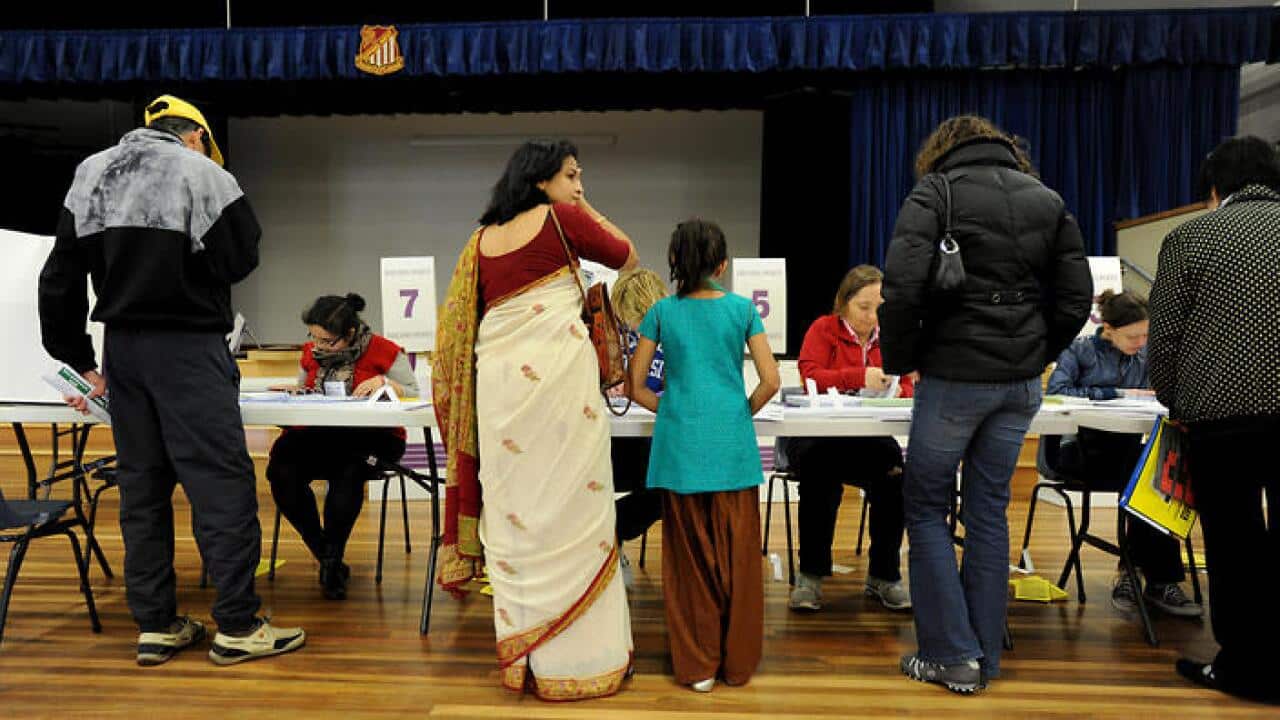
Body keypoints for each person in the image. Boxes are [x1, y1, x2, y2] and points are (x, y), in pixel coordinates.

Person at [38, 94, 304, 666]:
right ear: (197, 137)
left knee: (142, 489)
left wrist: (78, 360)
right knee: (220, 484)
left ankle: (156, 625)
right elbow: (240, 258)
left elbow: (58, 278)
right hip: (188, 349)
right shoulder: (201, 172)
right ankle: (237, 625)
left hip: (123, 354)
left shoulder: (91, 172)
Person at [880, 115, 1092, 693]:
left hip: (953, 375)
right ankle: (985, 657)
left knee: (925, 508)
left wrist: (900, 359)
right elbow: (1077, 298)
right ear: (1006, 150)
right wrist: (1034, 352)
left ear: (942, 152)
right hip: (1018, 383)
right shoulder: (1047, 200)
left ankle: (950, 655)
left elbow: (899, 287)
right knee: (988, 510)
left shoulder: (935, 192)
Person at [433, 139, 638, 700]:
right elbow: (624, 253)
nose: (578, 185)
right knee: (576, 510)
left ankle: (527, 660)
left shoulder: (479, 240)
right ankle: (583, 660)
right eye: (572, 175)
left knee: (518, 512)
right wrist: (582, 205)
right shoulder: (562, 218)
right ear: (542, 180)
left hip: (500, 391)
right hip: (559, 387)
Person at [1149, 136, 1280, 704]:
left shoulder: (1190, 237)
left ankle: (1248, 667)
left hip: (1223, 415)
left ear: (1213, 190)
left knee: (1235, 541)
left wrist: (1176, 399)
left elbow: (1165, 340)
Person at [630, 219, 780, 693]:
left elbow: (635, 387)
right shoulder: (742, 310)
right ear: (722, 264)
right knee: (738, 560)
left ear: (674, 262)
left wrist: (672, 410)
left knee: (690, 564)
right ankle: (737, 666)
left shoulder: (660, 312)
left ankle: (697, 668)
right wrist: (739, 412)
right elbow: (771, 380)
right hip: (732, 449)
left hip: (680, 450)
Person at [1046, 290, 1200, 619]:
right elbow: (1056, 392)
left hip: (1126, 450)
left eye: (1146, 334)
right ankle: (1156, 579)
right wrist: (1116, 393)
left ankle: (1137, 573)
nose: (1141, 342)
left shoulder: (1144, 356)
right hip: (1079, 451)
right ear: (1109, 328)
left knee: (1156, 473)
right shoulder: (1081, 349)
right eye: (1134, 336)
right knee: (1145, 476)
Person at [265, 293, 420, 600]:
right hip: (321, 433)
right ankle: (327, 556)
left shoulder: (384, 350)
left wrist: (387, 384)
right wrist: (297, 392)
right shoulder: (310, 352)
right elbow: (307, 388)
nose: (318, 347)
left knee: (347, 469)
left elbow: (415, 392)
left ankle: (331, 560)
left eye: (327, 341)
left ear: (349, 333)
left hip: (374, 438)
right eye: (314, 338)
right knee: (281, 467)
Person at [784, 265, 914, 613]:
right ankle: (810, 576)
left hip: (868, 434)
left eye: (878, 308)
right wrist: (859, 375)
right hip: (819, 435)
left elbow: (907, 380)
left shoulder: (888, 336)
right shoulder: (822, 329)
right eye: (864, 307)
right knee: (818, 478)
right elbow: (810, 374)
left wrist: (902, 388)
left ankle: (884, 575)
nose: (872, 316)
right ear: (844, 303)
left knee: (895, 477)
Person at [608, 269, 668, 589]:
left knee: (668, 489)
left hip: (653, 440)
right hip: (611, 440)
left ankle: (608, 534)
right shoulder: (606, 335)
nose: (636, 327)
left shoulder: (673, 332)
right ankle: (604, 545)